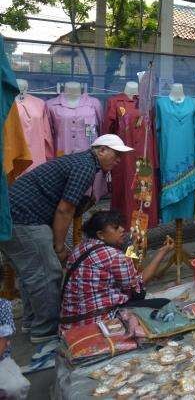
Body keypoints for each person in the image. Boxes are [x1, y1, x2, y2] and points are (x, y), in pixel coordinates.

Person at [0, 134, 131, 351]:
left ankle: (34, 324)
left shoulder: (81, 163)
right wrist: (59, 246)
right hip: (23, 218)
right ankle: (46, 333)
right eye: (116, 155)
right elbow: (65, 209)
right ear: (101, 150)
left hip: (14, 216)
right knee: (47, 272)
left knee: (31, 273)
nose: (118, 161)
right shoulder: (85, 167)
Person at [61, 210, 175, 332]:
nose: (122, 230)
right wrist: (162, 252)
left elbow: (125, 271)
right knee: (164, 303)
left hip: (69, 322)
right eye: (116, 228)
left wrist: (134, 246)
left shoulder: (80, 248)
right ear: (101, 235)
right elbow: (139, 283)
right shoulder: (113, 255)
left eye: (120, 225)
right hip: (97, 321)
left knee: (134, 294)